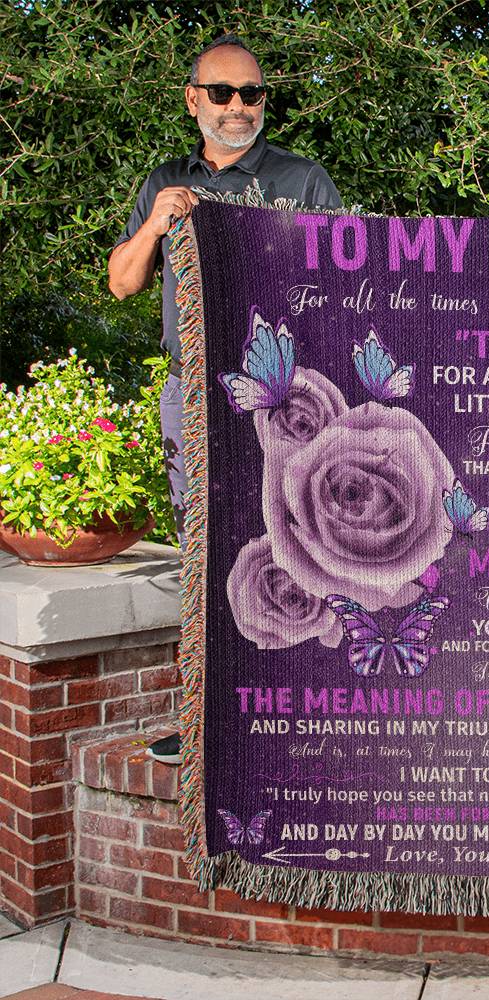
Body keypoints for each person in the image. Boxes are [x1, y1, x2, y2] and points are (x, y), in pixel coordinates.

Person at [109, 34, 342, 765]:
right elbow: (122, 282)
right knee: (202, 557)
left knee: (296, 548)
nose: (238, 106)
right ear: (193, 100)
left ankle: (296, 725)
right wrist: (157, 222)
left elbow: (343, 286)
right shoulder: (165, 183)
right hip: (192, 395)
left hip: (283, 397)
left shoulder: (303, 181)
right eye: (222, 92)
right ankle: (207, 725)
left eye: (252, 93)